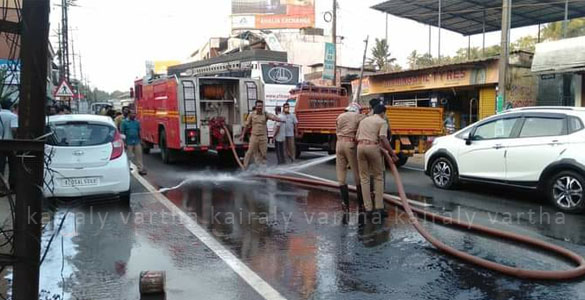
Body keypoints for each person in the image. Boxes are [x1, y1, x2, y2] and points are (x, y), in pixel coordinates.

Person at [356, 104, 398, 219]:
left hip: (360, 148)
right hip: (373, 148)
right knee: (378, 177)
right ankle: (379, 207)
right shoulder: (382, 122)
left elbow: (356, 137)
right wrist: (392, 154)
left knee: (364, 178)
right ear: (383, 113)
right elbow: (383, 138)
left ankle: (368, 209)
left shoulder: (363, 120)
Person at [335, 102, 366, 211]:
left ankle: (345, 204)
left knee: (341, 174)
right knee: (357, 173)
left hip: (339, 144)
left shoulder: (340, 116)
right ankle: (361, 204)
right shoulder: (359, 116)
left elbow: (337, 130)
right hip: (350, 145)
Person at [241, 100, 283, 169]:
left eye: (261, 106)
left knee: (263, 153)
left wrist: (278, 119)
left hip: (263, 137)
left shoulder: (265, 114)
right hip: (254, 136)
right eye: (258, 106)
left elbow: (272, 116)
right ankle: (245, 167)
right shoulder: (251, 114)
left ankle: (262, 168)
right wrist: (242, 135)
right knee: (250, 152)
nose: (260, 107)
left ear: (262, 106)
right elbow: (246, 125)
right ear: (256, 106)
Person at [121, 110, 147, 175]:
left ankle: (140, 169)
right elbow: (122, 133)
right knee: (129, 156)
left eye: (135, 114)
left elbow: (139, 131)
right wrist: (124, 143)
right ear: (129, 114)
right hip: (128, 142)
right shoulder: (124, 122)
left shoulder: (137, 122)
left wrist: (141, 140)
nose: (134, 115)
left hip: (136, 141)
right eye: (132, 114)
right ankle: (127, 169)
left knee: (139, 156)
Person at [0, 101, 18, 191]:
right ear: (11, 107)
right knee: (13, 165)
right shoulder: (13, 116)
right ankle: (12, 186)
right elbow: (14, 128)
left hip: (0, 143)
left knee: (0, 166)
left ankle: (1, 187)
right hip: (11, 143)